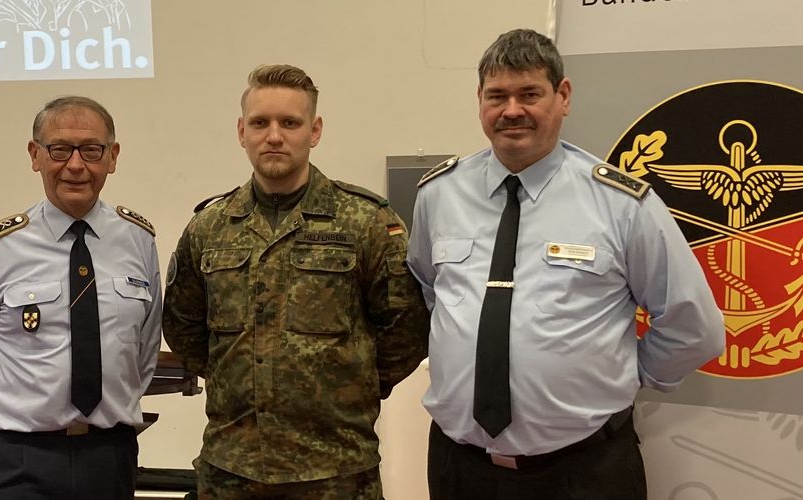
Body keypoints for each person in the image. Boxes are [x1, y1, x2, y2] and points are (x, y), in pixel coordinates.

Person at [406, 29, 726, 499]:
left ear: (563, 96)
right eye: (497, 95)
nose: (512, 110)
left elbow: (693, 325)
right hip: (460, 467)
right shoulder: (438, 195)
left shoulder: (620, 203)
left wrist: (623, 378)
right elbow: (430, 291)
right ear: (479, 102)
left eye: (529, 93)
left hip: (585, 470)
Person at [162, 64, 429, 499]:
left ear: (315, 130)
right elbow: (184, 327)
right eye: (260, 123)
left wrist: (352, 383)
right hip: (232, 470)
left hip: (336, 470)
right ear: (241, 131)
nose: (274, 135)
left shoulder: (366, 221)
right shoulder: (210, 227)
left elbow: (406, 328)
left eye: (290, 122)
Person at [0, 96, 162, 500]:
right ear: (35, 155)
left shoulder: (139, 242)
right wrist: (2, 434)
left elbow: (143, 353)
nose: (76, 165)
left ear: (112, 157)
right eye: (59, 149)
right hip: (19, 459)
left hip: (109, 456)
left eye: (92, 150)